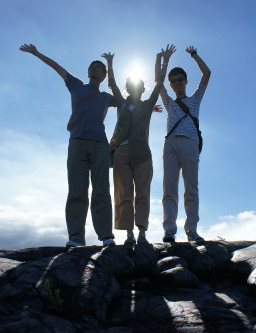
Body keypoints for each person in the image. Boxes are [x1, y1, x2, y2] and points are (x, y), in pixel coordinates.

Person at [20, 43, 116, 247]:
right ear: (88, 71)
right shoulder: (76, 85)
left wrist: (149, 108)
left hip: (100, 144)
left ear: (104, 76)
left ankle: (106, 235)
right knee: (76, 191)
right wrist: (37, 53)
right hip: (77, 143)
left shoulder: (106, 97)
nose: (95, 69)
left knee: (101, 190)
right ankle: (76, 237)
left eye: (99, 68)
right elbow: (57, 67)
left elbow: (128, 104)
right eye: (92, 66)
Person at [102, 44, 175, 245]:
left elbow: (159, 83)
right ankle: (129, 235)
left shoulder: (148, 104)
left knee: (143, 193)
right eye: (132, 86)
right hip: (121, 154)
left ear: (143, 90)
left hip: (143, 155)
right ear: (129, 89)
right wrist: (109, 63)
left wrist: (162, 59)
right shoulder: (121, 102)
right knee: (124, 194)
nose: (137, 89)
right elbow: (113, 84)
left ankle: (142, 233)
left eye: (140, 87)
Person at [155, 46, 212, 243]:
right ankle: (169, 229)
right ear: (171, 85)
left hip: (190, 144)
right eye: (173, 81)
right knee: (169, 189)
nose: (177, 83)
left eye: (180, 80)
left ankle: (191, 230)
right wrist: (163, 60)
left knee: (191, 188)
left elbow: (207, 74)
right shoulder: (169, 103)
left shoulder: (195, 99)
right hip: (170, 144)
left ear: (186, 82)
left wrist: (194, 55)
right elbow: (158, 82)